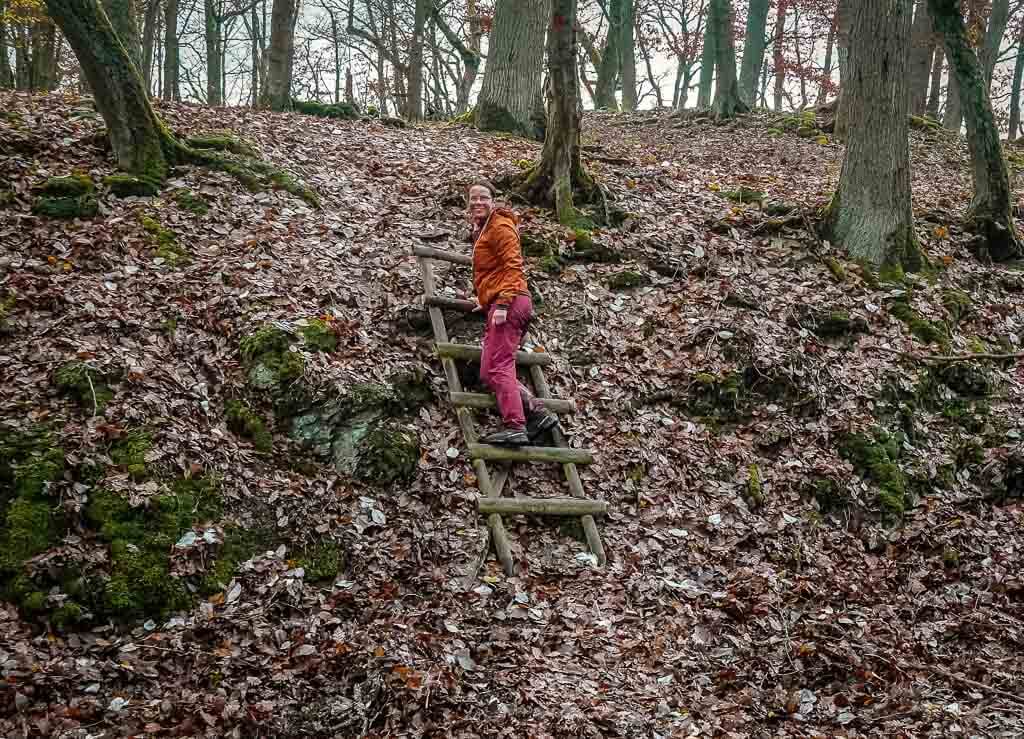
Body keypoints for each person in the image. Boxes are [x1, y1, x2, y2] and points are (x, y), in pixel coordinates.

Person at [467, 179, 558, 446]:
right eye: (473, 198)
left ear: (493, 201)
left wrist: (503, 303)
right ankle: (537, 412)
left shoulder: (501, 225)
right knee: (488, 371)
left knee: (498, 366)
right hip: (502, 301)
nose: (477, 202)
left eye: (483, 197)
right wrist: (486, 301)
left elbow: (514, 266)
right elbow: (492, 272)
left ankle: (515, 425)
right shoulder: (484, 229)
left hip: (512, 302)